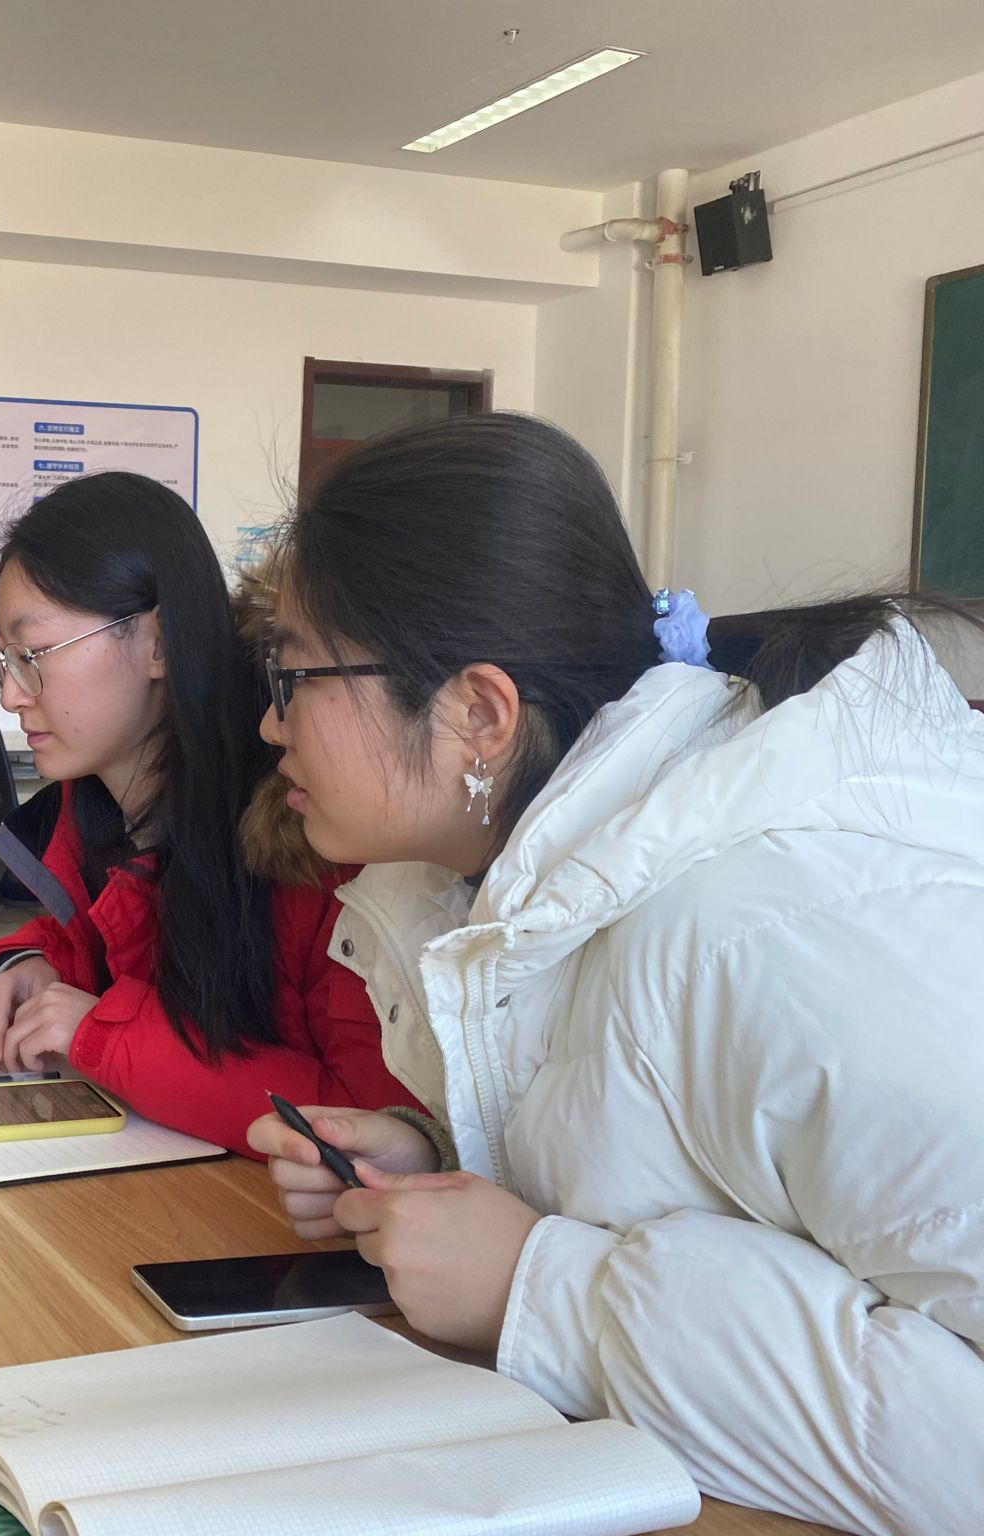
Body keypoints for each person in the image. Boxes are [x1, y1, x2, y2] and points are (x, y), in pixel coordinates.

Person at [248, 412, 984, 1535]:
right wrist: (442, 1161)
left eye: (294, 674)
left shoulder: (776, 931)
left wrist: (543, 1294)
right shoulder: (517, 890)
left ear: (478, 714)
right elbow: (714, 1177)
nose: (268, 723)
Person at [0, 471, 416, 1157]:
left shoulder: (310, 831)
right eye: (2, 658)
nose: (11, 695)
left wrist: (101, 1036)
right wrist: (25, 965)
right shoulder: (100, 808)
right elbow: (97, 946)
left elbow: (371, 1121)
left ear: (160, 643)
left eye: (33, 654)